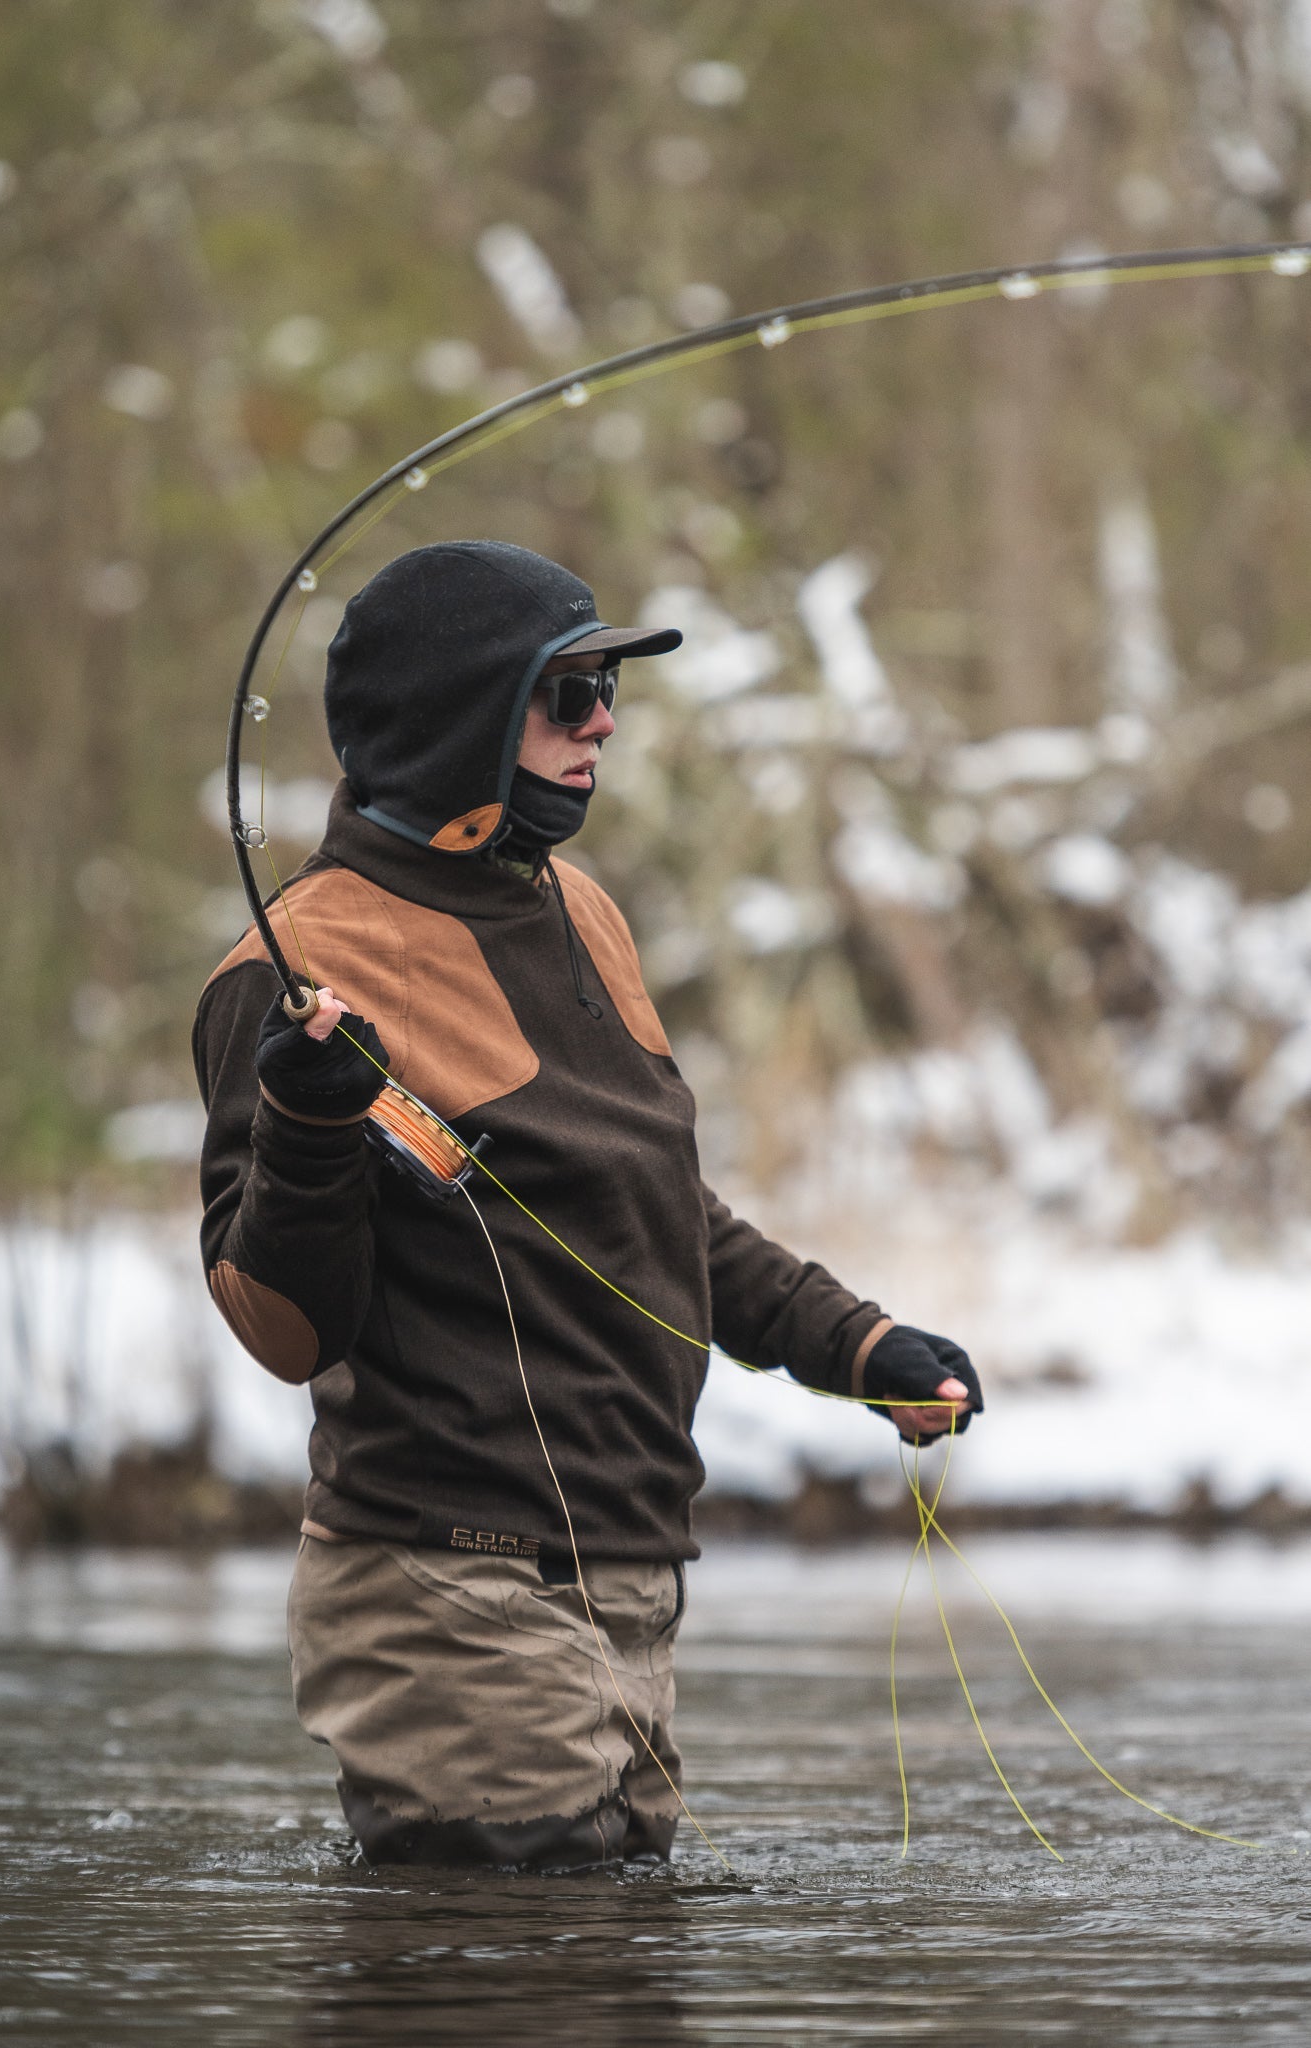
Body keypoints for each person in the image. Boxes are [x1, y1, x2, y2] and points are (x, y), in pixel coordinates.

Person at [193, 539, 983, 1871]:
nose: (603, 721)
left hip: (626, 1587)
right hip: (446, 1592)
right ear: (462, 719)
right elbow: (282, 1330)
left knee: (608, 1976)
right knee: (525, 1978)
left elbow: (655, 1211)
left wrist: (853, 1346)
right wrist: (316, 1121)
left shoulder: (579, 911)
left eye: (607, 686)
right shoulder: (297, 966)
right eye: (567, 692)